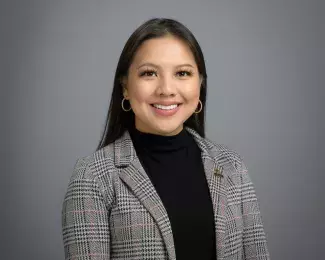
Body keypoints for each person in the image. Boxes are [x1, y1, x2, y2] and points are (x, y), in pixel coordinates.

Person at [61, 18, 270, 260]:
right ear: (125, 87)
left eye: (183, 73)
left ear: (200, 84)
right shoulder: (92, 177)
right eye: (149, 73)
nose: (166, 89)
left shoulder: (231, 166)